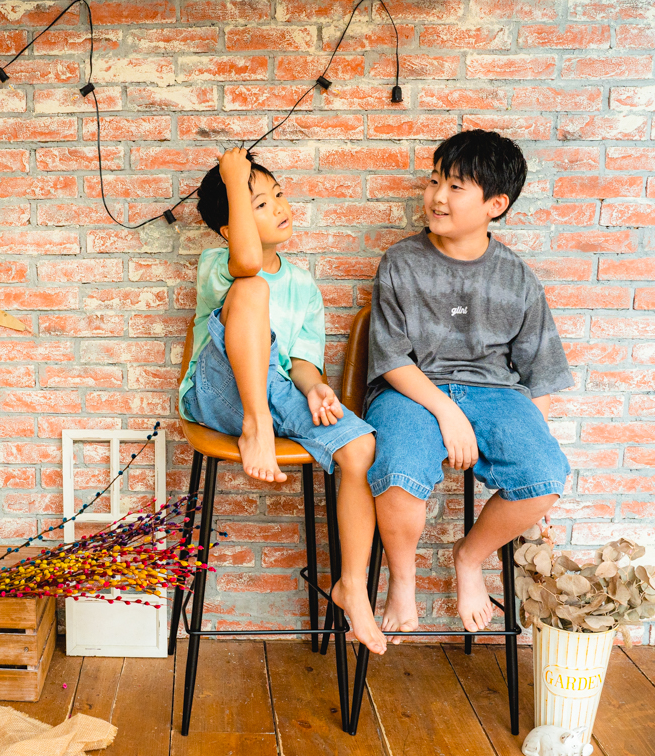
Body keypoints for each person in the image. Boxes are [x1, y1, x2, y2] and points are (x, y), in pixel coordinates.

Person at [365, 129, 572, 639]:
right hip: (411, 390)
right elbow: (391, 359)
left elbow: (540, 375)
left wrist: (529, 452)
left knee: (545, 474)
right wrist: (447, 411)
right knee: (397, 470)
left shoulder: (518, 278)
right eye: (435, 181)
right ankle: (402, 579)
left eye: (456, 187)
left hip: (496, 394)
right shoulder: (400, 262)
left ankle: (469, 558)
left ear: (495, 205)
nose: (438, 196)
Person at [180, 147, 386, 654]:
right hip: (219, 392)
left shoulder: (303, 284)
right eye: (258, 204)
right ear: (229, 227)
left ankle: (352, 587)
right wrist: (234, 177)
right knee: (252, 291)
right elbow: (248, 264)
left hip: (279, 392)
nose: (278, 207)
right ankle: (257, 427)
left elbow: (302, 363)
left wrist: (315, 388)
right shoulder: (219, 264)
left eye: (277, 194)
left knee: (360, 447)